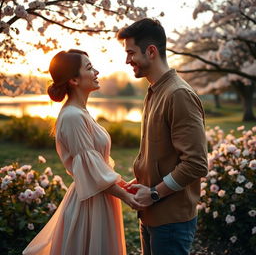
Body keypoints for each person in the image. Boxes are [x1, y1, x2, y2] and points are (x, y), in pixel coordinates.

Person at [23, 49, 143, 255]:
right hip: (90, 204)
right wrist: (124, 195)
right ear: (74, 80)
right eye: (89, 68)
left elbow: (97, 164)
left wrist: (123, 185)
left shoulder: (81, 113)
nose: (96, 72)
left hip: (100, 195)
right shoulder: (72, 116)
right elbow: (90, 170)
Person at [117, 18, 208, 255]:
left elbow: (196, 164)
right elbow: (161, 153)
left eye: (131, 53)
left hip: (170, 222)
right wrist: (145, 183)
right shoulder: (155, 89)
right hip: (151, 213)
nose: (127, 60)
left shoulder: (178, 94)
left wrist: (155, 192)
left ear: (151, 51)